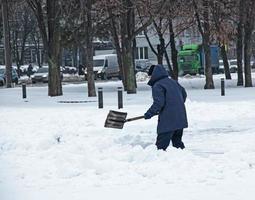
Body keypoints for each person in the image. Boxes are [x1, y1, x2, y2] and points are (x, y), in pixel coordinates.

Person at [144, 64, 188, 151]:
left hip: (168, 120)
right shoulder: (173, 82)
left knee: (161, 147)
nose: (150, 78)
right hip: (180, 118)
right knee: (177, 144)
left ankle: (157, 163)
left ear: (154, 75)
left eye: (150, 76)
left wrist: (149, 113)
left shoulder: (158, 85)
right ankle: (184, 160)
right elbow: (184, 95)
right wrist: (175, 106)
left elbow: (158, 103)